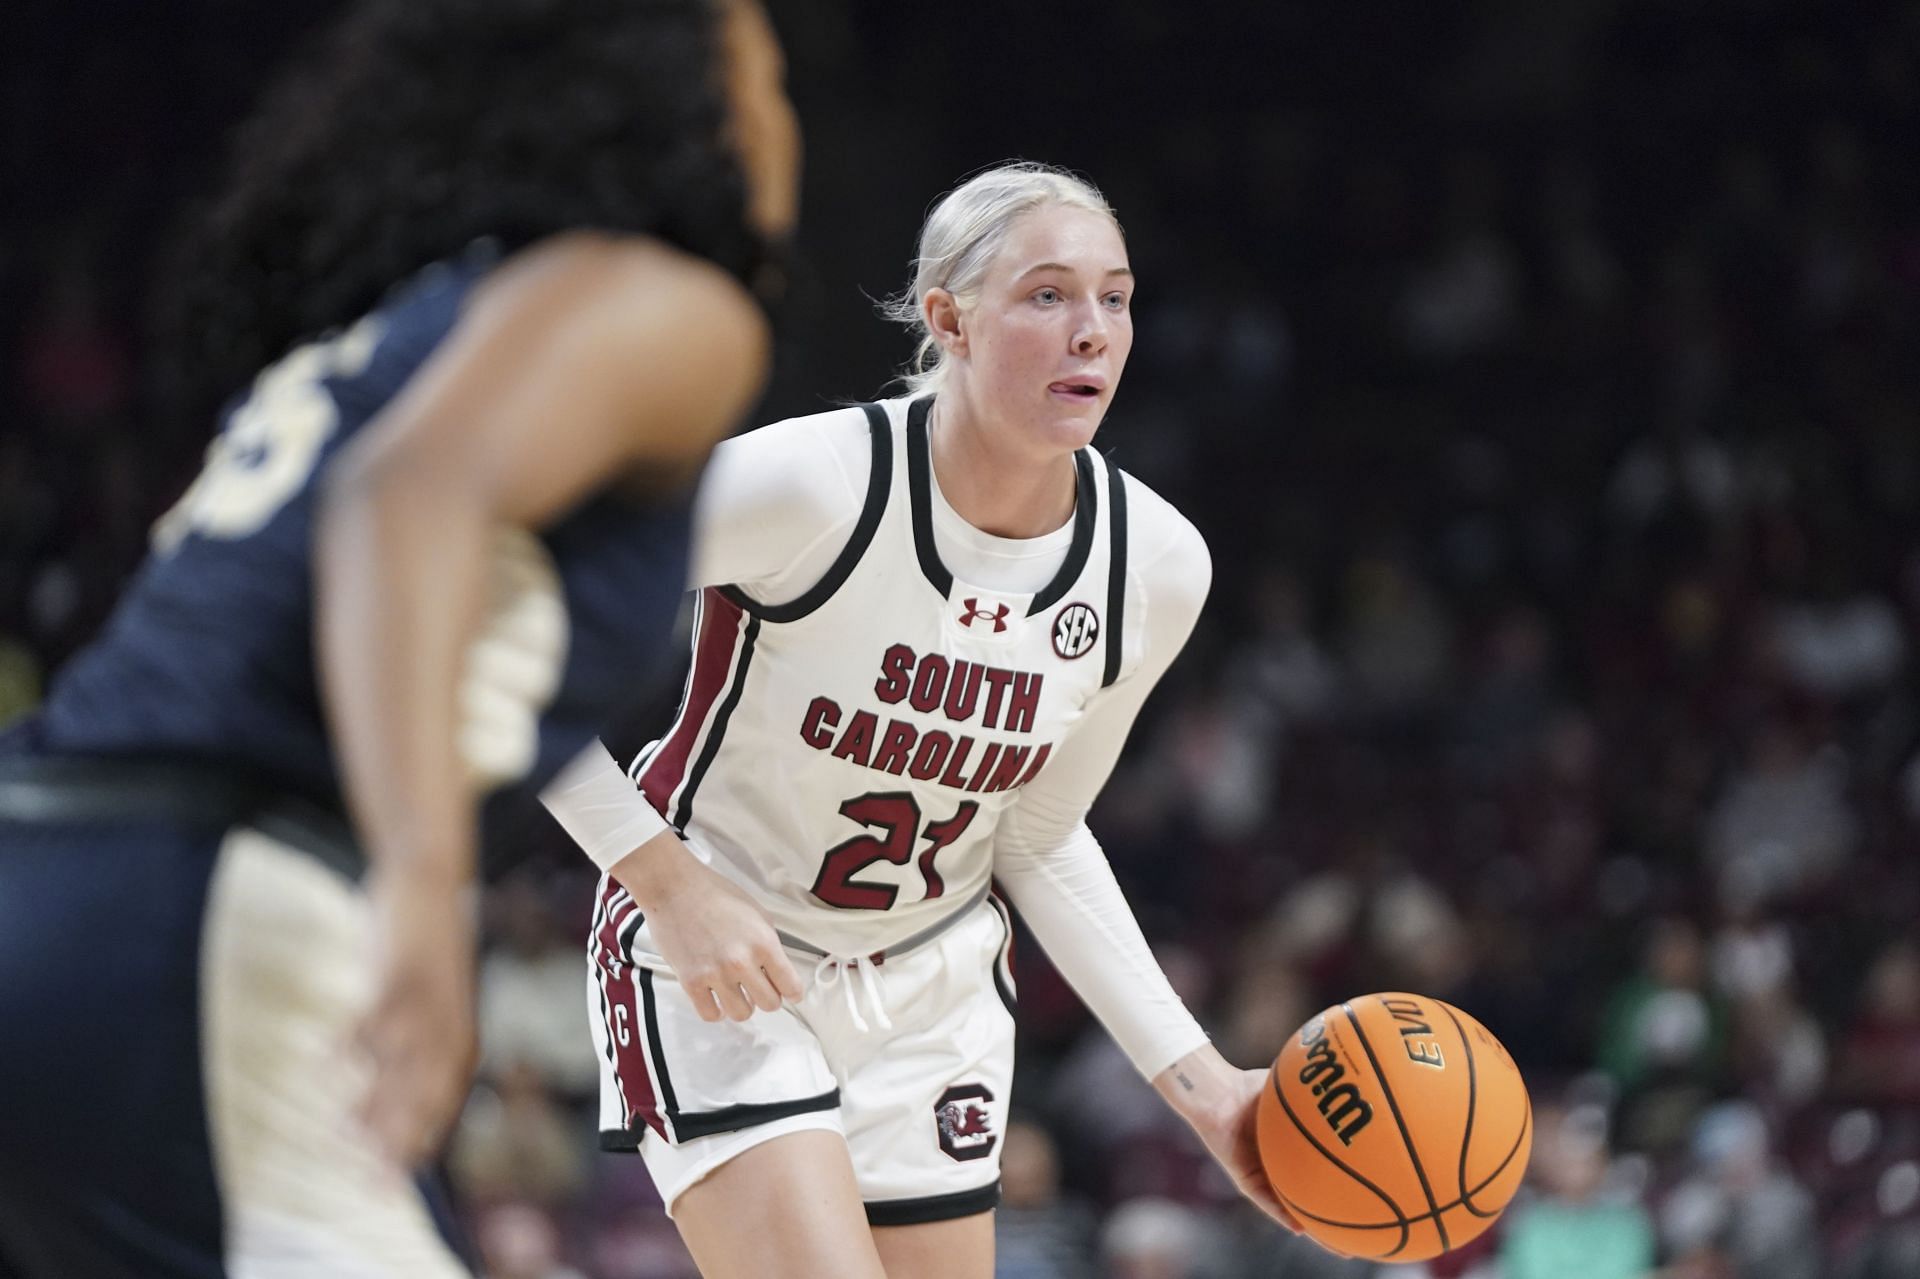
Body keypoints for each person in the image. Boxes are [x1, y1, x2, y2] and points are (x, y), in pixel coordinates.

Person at [0, 0, 799, 1274]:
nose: (785, 121)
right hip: (206, 892)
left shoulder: (419, 320)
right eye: (767, 76)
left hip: (55, 855)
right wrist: (424, 886)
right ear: (688, 100)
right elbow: (404, 494)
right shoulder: (666, 300)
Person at [543, 161, 1297, 1279]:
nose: (1092, 330)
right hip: (723, 958)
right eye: (1047, 295)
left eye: (1116, 297)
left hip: (931, 985)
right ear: (948, 317)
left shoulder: (1156, 565)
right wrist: (668, 883)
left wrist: (1207, 1089)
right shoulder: (815, 485)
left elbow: (1036, 836)